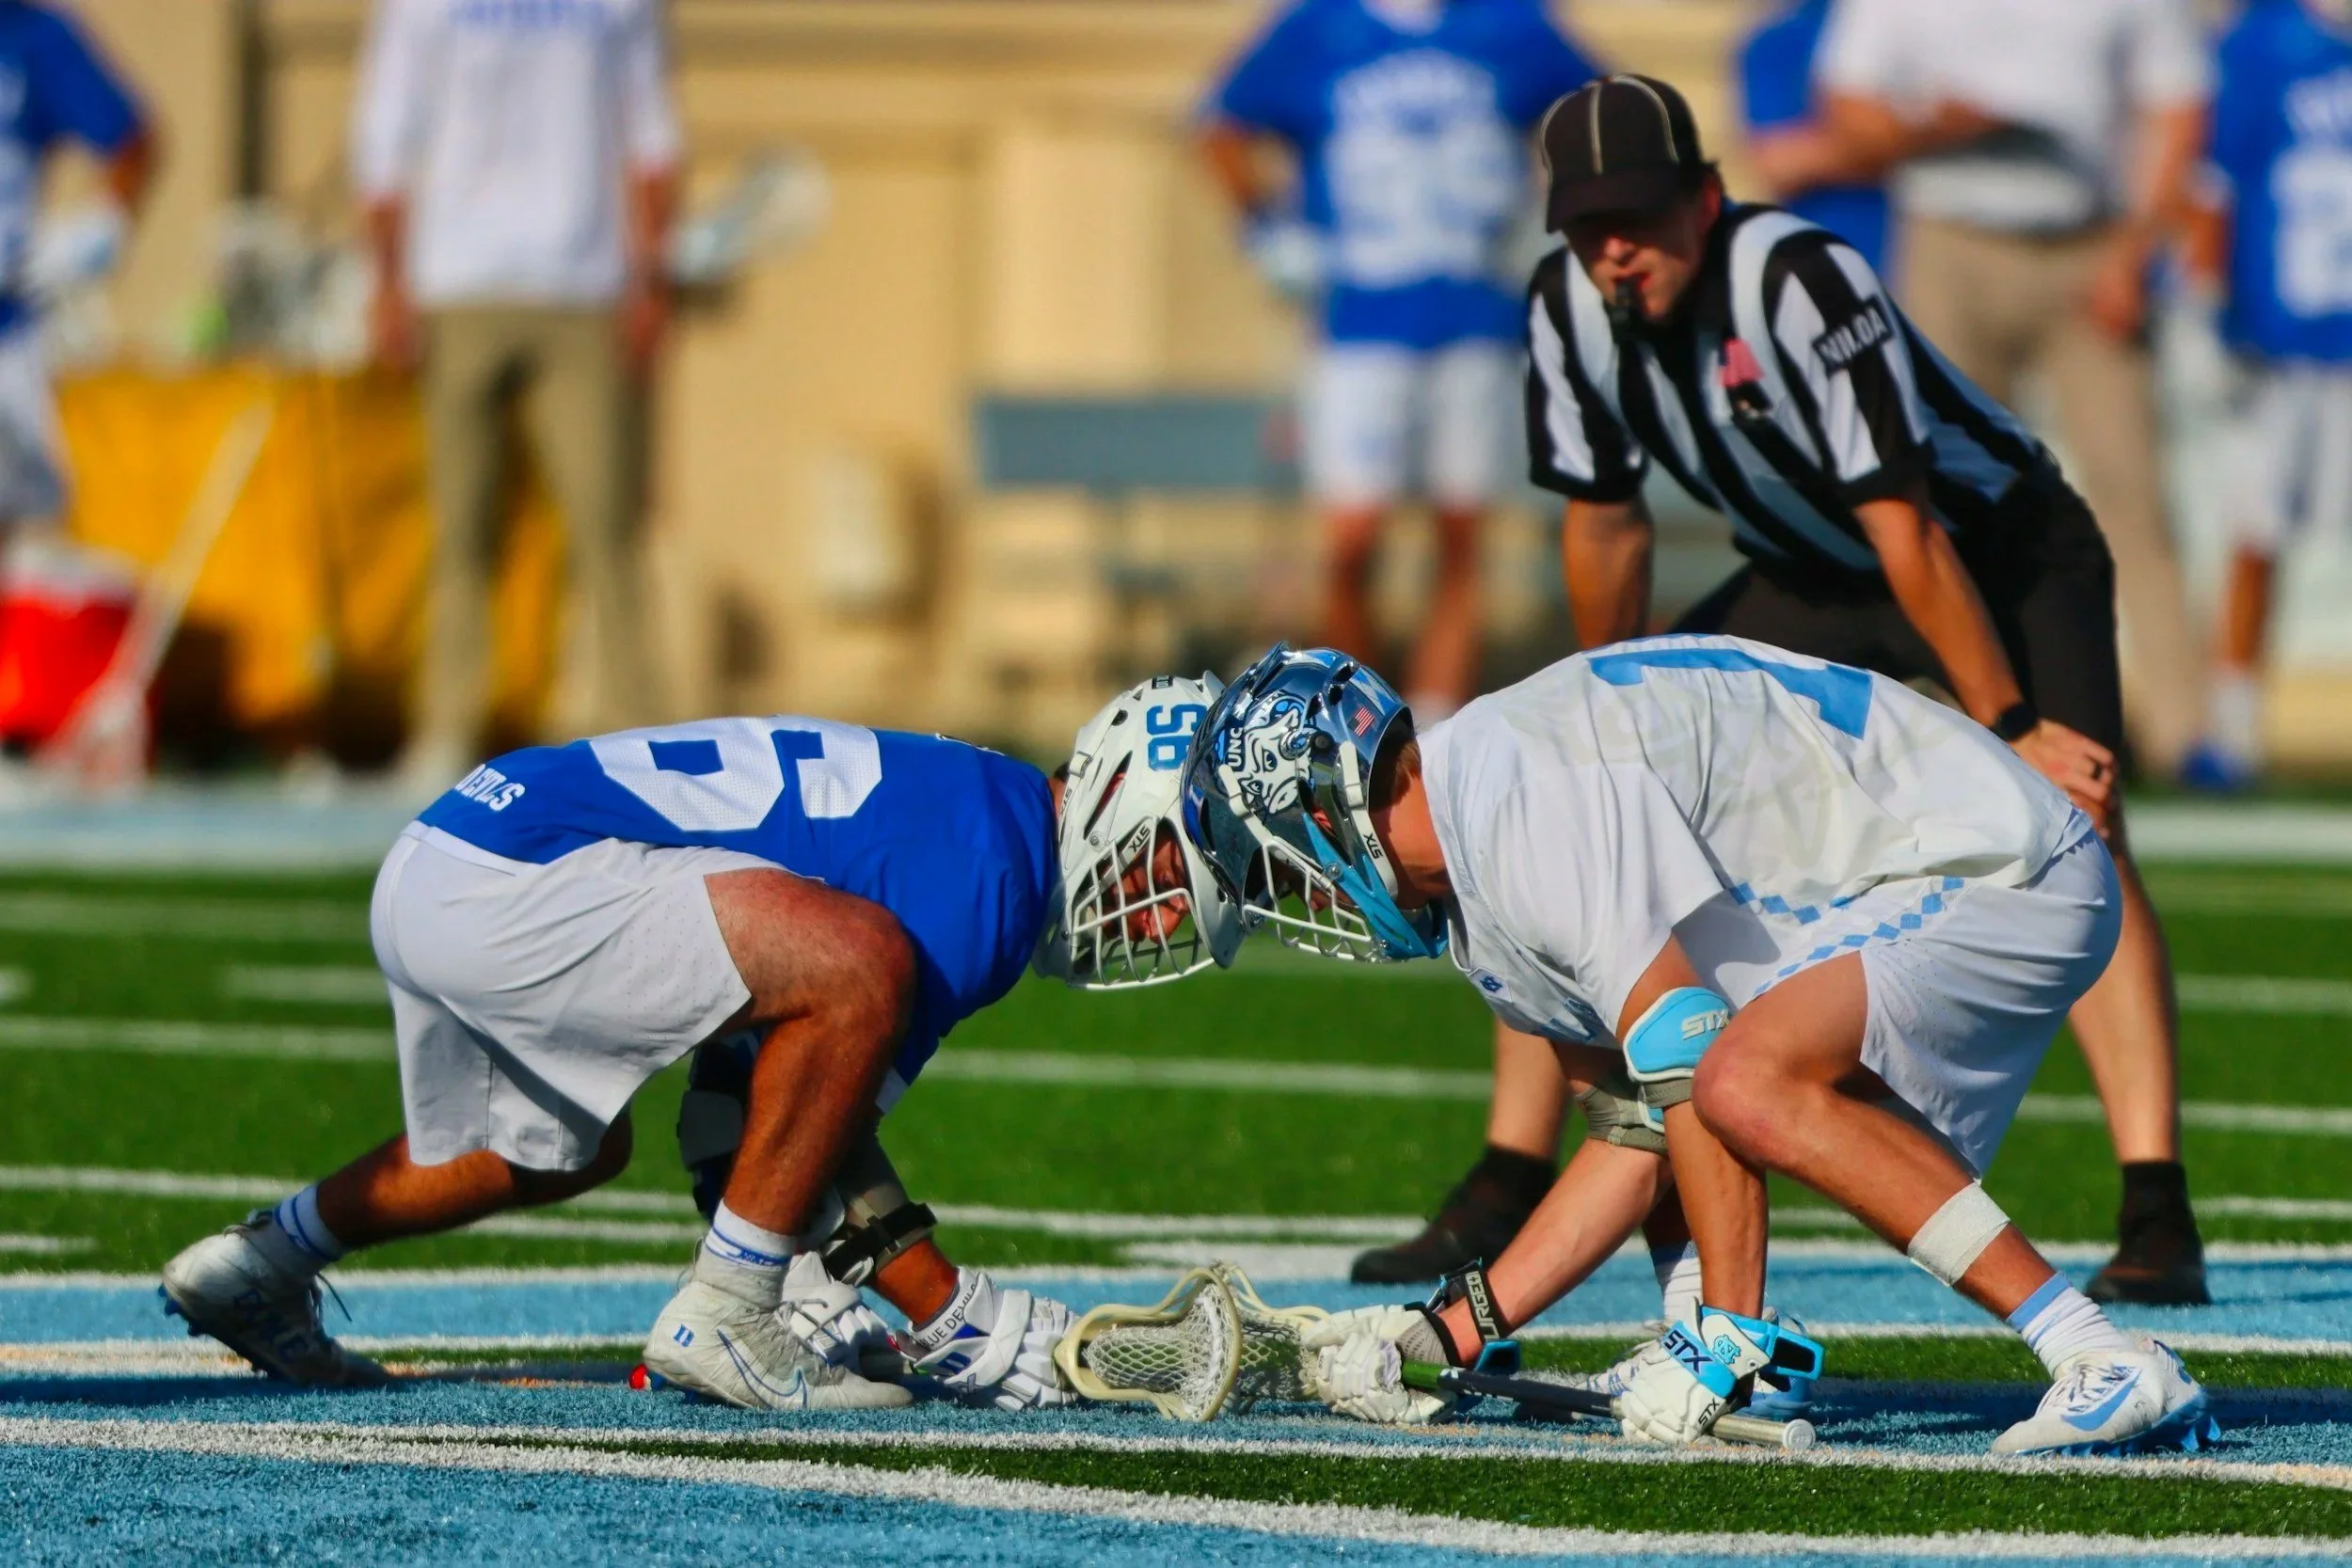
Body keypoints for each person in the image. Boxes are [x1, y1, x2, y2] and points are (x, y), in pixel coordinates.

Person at [1418, 73, 2204, 1309]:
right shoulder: (1567, 302)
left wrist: (2009, 730)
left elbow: (1909, 530)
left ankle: (2156, 1197)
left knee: (2076, 816)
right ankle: (1511, 1163)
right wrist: (1590, 705)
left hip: (1987, 545)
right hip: (1810, 567)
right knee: (1567, 819)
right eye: (1588, 225)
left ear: (1706, 198)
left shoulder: (1795, 277)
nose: (1615, 250)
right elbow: (1605, 522)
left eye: (1637, 215)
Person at [1184, 640, 2215, 1456]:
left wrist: (1725, 1337)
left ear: (1324, 811)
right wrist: (1446, 1329)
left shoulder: (1511, 796)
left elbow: (1690, 1056)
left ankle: (2096, 1351)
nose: (1300, 900)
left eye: (1282, 870)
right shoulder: (1476, 843)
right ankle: (1713, 1328)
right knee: (1710, 1082)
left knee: (1738, 1077)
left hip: (1994, 859)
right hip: (1917, 872)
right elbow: (1636, 1132)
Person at [160, 677, 1243, 1412]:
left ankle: (262, 1260)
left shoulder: (981, 816)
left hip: (453, 853)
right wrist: (961, 1316)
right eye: (1165, 884)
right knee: (863, 965)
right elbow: (761, 1124)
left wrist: (821, 1276)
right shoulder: (996, 873)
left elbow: (750, 1112)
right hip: (513, 875)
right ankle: (726, 1312)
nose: (1154, 926)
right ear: (1116, 801)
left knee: (561, 1149)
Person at [1813, 0, 2210, 781]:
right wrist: (1943, 127)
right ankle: (1973, 719)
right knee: (1944, 494)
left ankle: (2188, 735)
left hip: (2088, 243)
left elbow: (2178, 109)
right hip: (1953, 239)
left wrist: (2135, 250)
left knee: (2131, 488)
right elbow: (1847, 109)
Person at [1198, 0, 1599, 721]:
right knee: (1353, 539)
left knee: (1461, 531)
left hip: (1478, 317)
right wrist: (1267, 226)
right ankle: (1362, 721)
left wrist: (1555, 210)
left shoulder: (1510, 21)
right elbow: (1219, 125)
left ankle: (1437, 726)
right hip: (1361, 325)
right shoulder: (1318, 27)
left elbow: (1600, 113)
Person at [353, 0, 682, 786]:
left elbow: (652, 135)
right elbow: (386, 132)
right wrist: (389, 280)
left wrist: (649, 279)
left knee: (608, 523)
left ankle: (645, 736)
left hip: (583, 287)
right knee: (460, 525)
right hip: (458, 284)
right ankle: (446, 727)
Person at [2181, 0, 2352, 791]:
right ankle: (2233, 726)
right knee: (2256, 531)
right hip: (2277, 340)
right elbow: (2212, 186)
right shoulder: (2261, 42)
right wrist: (2214, 303)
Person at [0, 2, 151, 538]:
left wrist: (98, 230)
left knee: (21, 527)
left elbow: (130, 139)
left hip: (9, 329)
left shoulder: (29, 33)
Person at [1737, 0, 1891, 277]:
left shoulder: (1924, 31)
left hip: (1932, 257)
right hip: (1833, 263)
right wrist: (1915, 141)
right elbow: (1781, 162)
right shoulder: (1782, 38)